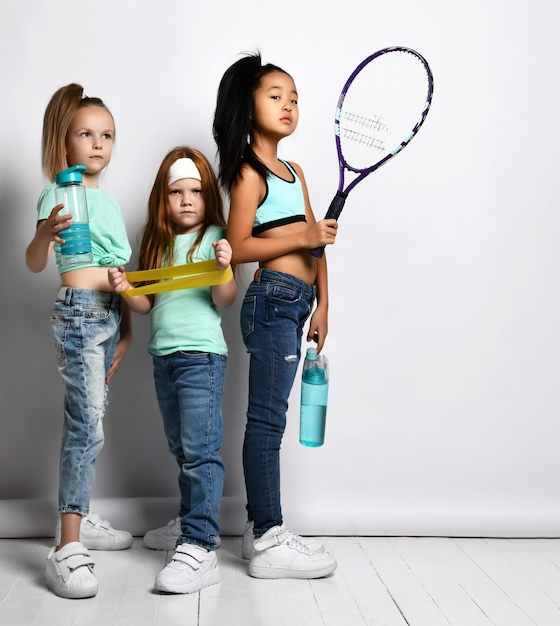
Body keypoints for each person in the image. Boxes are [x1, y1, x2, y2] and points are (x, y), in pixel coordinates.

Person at [213, 52, 339, 579]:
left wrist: (325, 304)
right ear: (248, 106)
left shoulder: (296, 171)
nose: (288, 104)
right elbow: (236, 245)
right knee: (266, 422)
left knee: (272, 420)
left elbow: (318, 245)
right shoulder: (248, 172)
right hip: (271, 302)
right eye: (275, 95)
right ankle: (268, 537)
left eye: (294, 98)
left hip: (299, 305)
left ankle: (255, 532)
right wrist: (302, 236)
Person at [108, 146, 237, 594]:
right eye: (176, 192)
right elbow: (147, 305)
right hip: (162, 357)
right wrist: (126, 288)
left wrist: (223, 267)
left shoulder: (217, 235)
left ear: (208, 197)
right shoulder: (156, 241)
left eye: (196, 191)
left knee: (201, 450)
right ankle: (190, 518)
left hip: (201, 356)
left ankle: (200, 544)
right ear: (162, 199)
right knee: (182, 448)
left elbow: (226, 300)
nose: (186, 200)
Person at [25, 83, 133, 599]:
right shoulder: (57, 195)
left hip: (110, 315)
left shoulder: (108, 203)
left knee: (94, 422)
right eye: (85, 134)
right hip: (78, 315)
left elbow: (120, 273)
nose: (97, 144)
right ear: (63, 142)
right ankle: (66, 547)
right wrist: (45, 232)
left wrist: (127, 330)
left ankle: (82, 515)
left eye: (106, 135)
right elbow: (34, 260)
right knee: (85, 425)